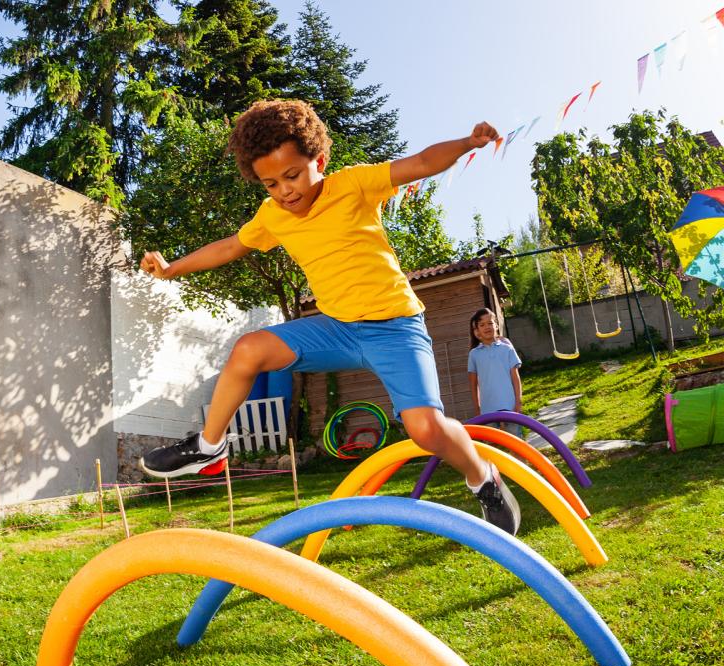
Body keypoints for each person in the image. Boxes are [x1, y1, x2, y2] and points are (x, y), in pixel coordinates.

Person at [136, 100, 520, 535]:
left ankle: (482, 477)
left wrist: (467, 143)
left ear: (319, 160)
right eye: (271, 184)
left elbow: (420, 163)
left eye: (293, 175)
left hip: (395, 328)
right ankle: (210, 446)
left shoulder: (354, 184)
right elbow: (229, 247)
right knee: (248, 350)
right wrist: (171, 269)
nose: (285, 191)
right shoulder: (273, 216)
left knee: (425, 429)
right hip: (336, 329)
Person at [468, 308, 524, 437]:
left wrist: (518, 402)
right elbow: (473, 384)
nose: (487, 327)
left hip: (510, 408)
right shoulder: (474, 355)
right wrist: (477, 408)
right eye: (482, 325)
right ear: (476, 332)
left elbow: (516, 378)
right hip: (487, 411)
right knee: (492, 449)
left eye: (490, 323)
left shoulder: (507, 349)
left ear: (496, 325)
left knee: (517, 447)